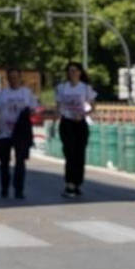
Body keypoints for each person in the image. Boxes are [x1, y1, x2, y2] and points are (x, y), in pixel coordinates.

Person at [0, 69, 37, 201]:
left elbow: (33, 110)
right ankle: (4, 188)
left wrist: (30, 124)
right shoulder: (2, 94)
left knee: (20, 162)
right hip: (4, 132)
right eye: (11, 78)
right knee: (4, 163)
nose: (14, 80)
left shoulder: (26, 93)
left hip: (21, 133)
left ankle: (19, 189)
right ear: (8, 79)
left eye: (16, 78)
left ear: (20, 78)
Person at [55, 61, 98, 197]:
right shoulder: (62, 88)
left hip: (80, 123)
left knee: (80, 154)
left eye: (75, 70)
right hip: (67, 122)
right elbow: (58, 105)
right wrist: (58, 116)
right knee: (70, 153)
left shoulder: (85, 88)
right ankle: (69, 183)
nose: (72, 73)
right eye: (70, 70)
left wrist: (83, 115)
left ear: (80, 72)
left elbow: (93, 106)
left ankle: (77, 183)